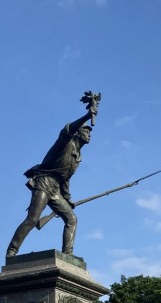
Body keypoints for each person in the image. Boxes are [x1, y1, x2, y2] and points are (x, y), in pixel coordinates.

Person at [6, 92, 100, 260]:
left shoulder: (78, 157)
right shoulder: (64, 143)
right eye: (86, 131)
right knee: (33, 219)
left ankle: (68, 255)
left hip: (56, 188)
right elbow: (68, 129)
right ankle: (12, 251)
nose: (89, 134)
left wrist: (68, 198)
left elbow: (65, 178)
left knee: (72, 219)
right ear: (78, 133)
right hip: (43, 182)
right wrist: (87, 115)